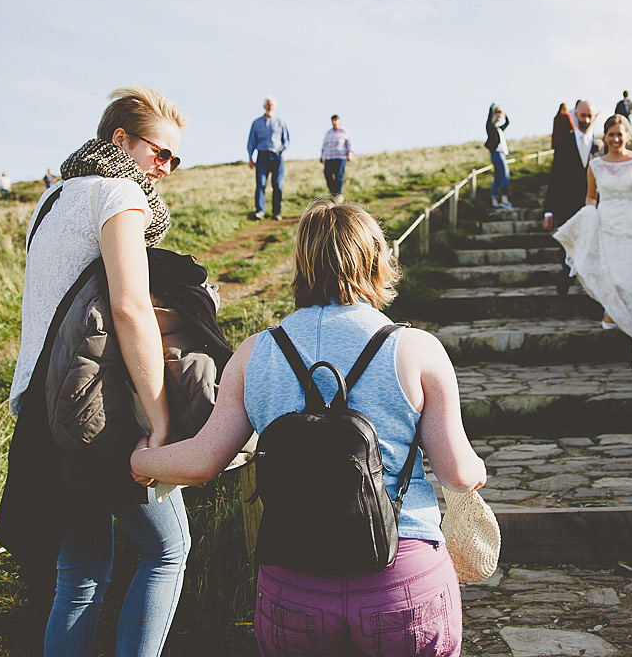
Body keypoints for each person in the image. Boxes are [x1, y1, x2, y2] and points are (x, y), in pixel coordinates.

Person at [131, 197, 487, 657]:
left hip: (293, 582)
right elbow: (458, 475)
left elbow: (202, 462)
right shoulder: (417, 348)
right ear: (377, 261)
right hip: (399, 576)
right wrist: (477, 468)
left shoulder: (255, 353)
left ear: (301, 265)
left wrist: (141, 457)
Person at [0, 85, 190, 657]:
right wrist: (159, 419)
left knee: (80, 576)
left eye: (175, 159)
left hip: (38, 409)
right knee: (167, 552)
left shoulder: (51, 200)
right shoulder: (118, 195)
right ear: (120, 140)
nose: (166, 169)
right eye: (160, 154)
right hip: (92, 411)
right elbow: (130, 309)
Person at [553, 115, 632, 369]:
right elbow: (591, 197)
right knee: (614, 276)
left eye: (620, 134)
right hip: (608, 225)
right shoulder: (596, 166)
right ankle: (611, 308)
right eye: (611, 134)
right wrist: (587, 220)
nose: (616, 139)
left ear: (628, 135)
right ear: (604, 137)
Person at [543, 100, 600, 294]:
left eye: (589, 116)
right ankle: (566, 277)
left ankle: (592, 288)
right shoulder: (564, 143)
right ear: (575, 115)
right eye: (582, 115)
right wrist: (548, 210)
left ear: (595, 117)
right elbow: (555, 178)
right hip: (566, 204)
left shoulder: (601, 146)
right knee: (567, 244)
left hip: (594, 206)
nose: (586, 120)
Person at [246, 96, 290, 220]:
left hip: (277, 157)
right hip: (262, 157)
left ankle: (277, 212)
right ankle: (260, 211)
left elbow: (286, 140)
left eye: (272, 105)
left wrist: (282, 152)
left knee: (277, 185)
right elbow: (251, 141)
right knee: (260, 184)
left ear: (274, 107)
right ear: (264, 106)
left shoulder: (280, 122)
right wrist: (250, 157)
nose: (270, 107)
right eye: (268, 104)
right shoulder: (256, 123)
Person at [484, 102, 512, 210]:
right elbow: (489, 116)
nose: (499, 117)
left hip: (501, 154)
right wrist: (494, 105)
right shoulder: (491, 128)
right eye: (497, 115)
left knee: (498, 178)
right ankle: (504, 200)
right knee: (505, 176)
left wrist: (504, 113)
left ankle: (495, 202)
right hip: (497, 153)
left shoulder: (499, 129)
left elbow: (508, 122)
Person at [320, 114, 353, 197]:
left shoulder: (344, 131)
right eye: (333, 120)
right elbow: (324, 145)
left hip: (340, 157)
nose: (334, 122)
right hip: (329, 157)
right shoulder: (328, 133)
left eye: (336, 120)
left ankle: (339, 194)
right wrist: (322, 155)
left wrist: (350, 153)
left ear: (339, 121)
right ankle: (333, 193)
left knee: (338, 176)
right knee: (327, 174)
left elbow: (349, 143)